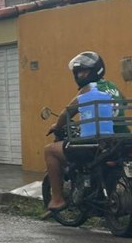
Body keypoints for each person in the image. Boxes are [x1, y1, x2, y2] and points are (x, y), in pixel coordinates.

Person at [45, 51, 124, 213]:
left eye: (84, 71)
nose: (80, 75)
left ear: (95, 70)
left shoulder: (88, 89)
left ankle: (58, 199)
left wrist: (57, 126)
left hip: (96, 142)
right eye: (78, 72)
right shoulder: (113, 87)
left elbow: (66, 113)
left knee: (50, 151)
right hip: (119, 140)